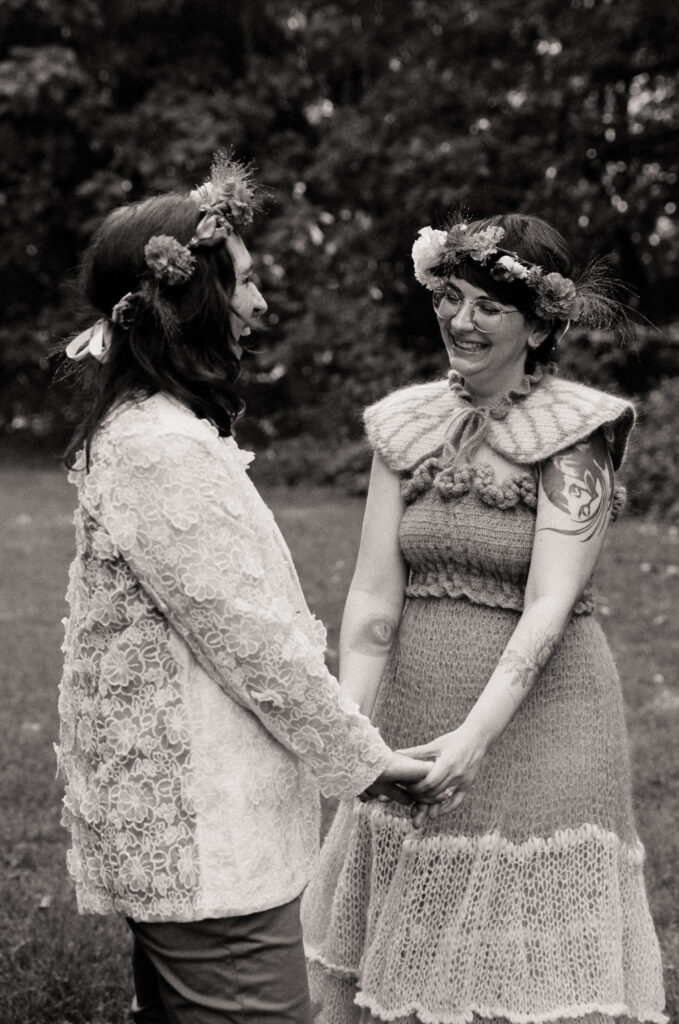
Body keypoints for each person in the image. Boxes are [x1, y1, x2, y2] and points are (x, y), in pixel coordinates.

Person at [56, 152, 428, 1024]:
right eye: (246, 284)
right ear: (191, 298)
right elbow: (250, 641)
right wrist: (372, 767)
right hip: (209, 845)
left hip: (193, 838)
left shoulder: (155, 428)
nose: (259, 307)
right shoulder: (160, 448)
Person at [301, 214, 667, 1024]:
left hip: (544, 722)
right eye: (450, 298)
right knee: (405, 962)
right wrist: (352, 731)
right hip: (414, 707)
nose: (460, 321)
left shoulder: (578, 436)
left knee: (520, 970)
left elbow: (549, 603)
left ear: (539, 323)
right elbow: (371, 597)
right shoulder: (402, 426)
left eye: (487, 307)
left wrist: (474, 737)